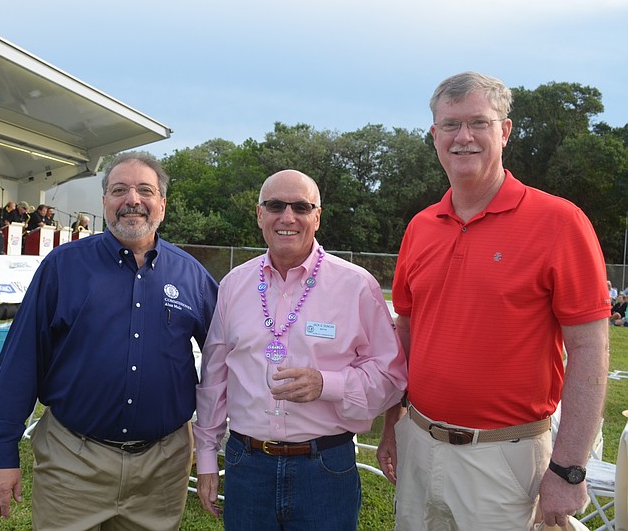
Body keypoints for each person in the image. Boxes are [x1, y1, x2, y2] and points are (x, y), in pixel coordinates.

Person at [377, 71, 611, 530]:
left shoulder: (560, 222)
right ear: (434, 135)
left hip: (506, 459)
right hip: (419, 445)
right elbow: (405, 334)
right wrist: (393, 424)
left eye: (479, 123)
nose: (463, 137)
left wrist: (568, 468)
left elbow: (590, 351)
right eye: (450, 125)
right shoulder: (421, 227)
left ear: (504, 131)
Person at [0, 153, 219, 529]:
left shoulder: (192, 276)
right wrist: (0, 450)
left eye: (145, 190)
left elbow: (227, 360)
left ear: (163, 203)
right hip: (73, 460)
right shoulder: (63, 267)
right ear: (104, 201)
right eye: (119, 190)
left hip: (162, 467)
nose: (132, 200)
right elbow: (22, 359)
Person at [194, 169, 407, 529]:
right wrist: (206, 459)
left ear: (317, 217)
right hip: (247, 465)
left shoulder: (356, 286)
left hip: (324, 467)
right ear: (259, 214)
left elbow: (392, 377)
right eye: (275, 205)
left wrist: (327, 385)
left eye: (301, 207)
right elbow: (215, 376)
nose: (287, 217)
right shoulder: (234, 285)